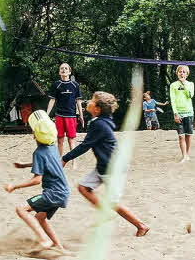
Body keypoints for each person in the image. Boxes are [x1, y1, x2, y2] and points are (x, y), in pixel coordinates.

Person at [62, 91, 150, 237]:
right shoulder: (100, 121)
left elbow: (85, 146)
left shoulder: (100, 125)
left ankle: (141, 225)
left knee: (113, 202)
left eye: (91, 100)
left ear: (97, 109)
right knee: (83, 187)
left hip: (113, 169)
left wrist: (65, 159)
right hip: (103, 167)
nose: (88, 102)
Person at [4, 110, 69, 251]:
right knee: (40, 218)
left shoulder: (38, 153)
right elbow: (48, 163)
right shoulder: (52, 147)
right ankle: (59, 247)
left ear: (35, 134)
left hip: (53, 193)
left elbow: (36, 180)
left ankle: (43, 240)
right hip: (63, 192)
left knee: (21, 209)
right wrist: (25, 165)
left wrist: (14, 186)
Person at [47, 63, 85, 161]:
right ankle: (59, 161)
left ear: (69, 71)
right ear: (59, 72)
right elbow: (52, 100)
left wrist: (81, 116)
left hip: (71, 116)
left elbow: (78, 102)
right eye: (61, 68)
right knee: (59, 140)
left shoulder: (75, 85)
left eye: (66, 68)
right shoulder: (56, 84)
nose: (64, 70)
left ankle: (74, 162)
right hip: (59, 115)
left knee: (71, 140)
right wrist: (46, 115)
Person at [169, 65, 195, 163]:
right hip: (178, 113)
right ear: (177, 73)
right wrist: (175, 113)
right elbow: (173, 100)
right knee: (181, 136)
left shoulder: (190, 84)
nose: (182, 73)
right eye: (180, 71)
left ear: (187, 74)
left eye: (184, 72)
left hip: (189, 113)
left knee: (188, 135)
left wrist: (184, 84)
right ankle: (184, 156)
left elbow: (190, 95)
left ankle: (187, 154)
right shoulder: (173, 85)